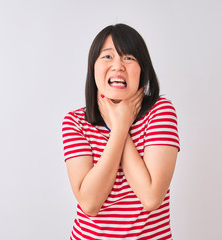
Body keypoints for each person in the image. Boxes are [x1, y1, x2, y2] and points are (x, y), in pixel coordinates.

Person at [62, 23, 180, 240]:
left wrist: (120, 125)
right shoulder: (75, 122)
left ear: (142, 69)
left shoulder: (160, 111)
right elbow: (89, 203)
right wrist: (120, 129)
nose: (118, 66)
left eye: (128, 58)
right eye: (107, 57)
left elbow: (151, 197)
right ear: (93, 68)